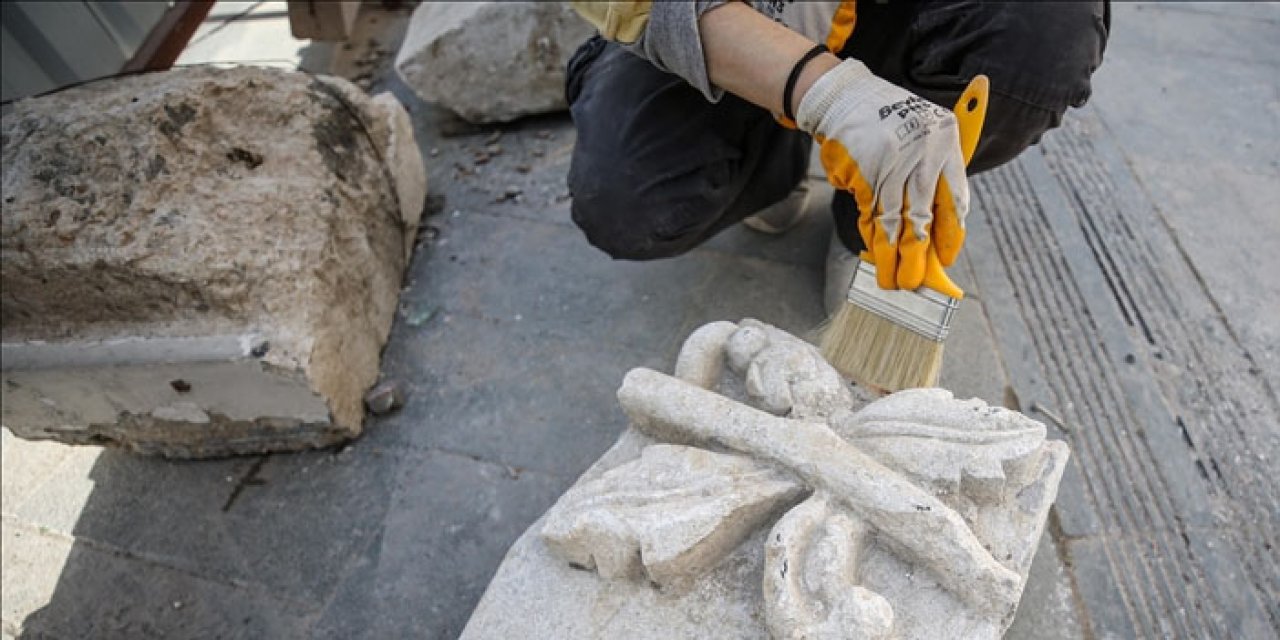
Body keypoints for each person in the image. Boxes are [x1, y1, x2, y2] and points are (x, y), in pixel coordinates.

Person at [564, 1, 1109, 312]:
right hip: (737, 16)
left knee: (1040, 39)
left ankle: (871, 222)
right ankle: (768, 159)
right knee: (629, 200)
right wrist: (825, 94)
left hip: (902, 13)